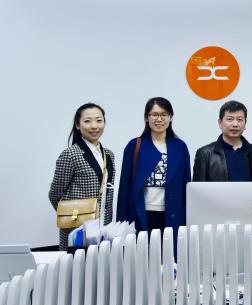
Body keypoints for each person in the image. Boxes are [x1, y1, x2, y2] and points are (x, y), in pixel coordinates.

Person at [117, 97, 191, 237]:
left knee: (170, 250)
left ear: (170, 117)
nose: (159, 119)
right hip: (142, 213)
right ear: (146, 118)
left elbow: (186, 185)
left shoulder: (180, 147)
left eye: (164, 115)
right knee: (142, 250)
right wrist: (121, 220)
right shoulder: (134, 145)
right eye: (154, 115)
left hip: (173, 214)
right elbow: (125, 186)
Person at [49, 103, 116, 250]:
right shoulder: (70, 154)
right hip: (77, 229)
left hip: (103, 229)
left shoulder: (109, 155)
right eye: (87, 121)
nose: (94, 126)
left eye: (99, 120)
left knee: (100, 264)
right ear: (77, 125)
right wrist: (71, 215)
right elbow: (55, 194)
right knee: (75, 264)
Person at [193, 100, 252, 182]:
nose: (235, 124)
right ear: (220, 123)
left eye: (239, 120)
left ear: (245, 124)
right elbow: (198, 188)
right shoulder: (205, 154)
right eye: (230, 119)